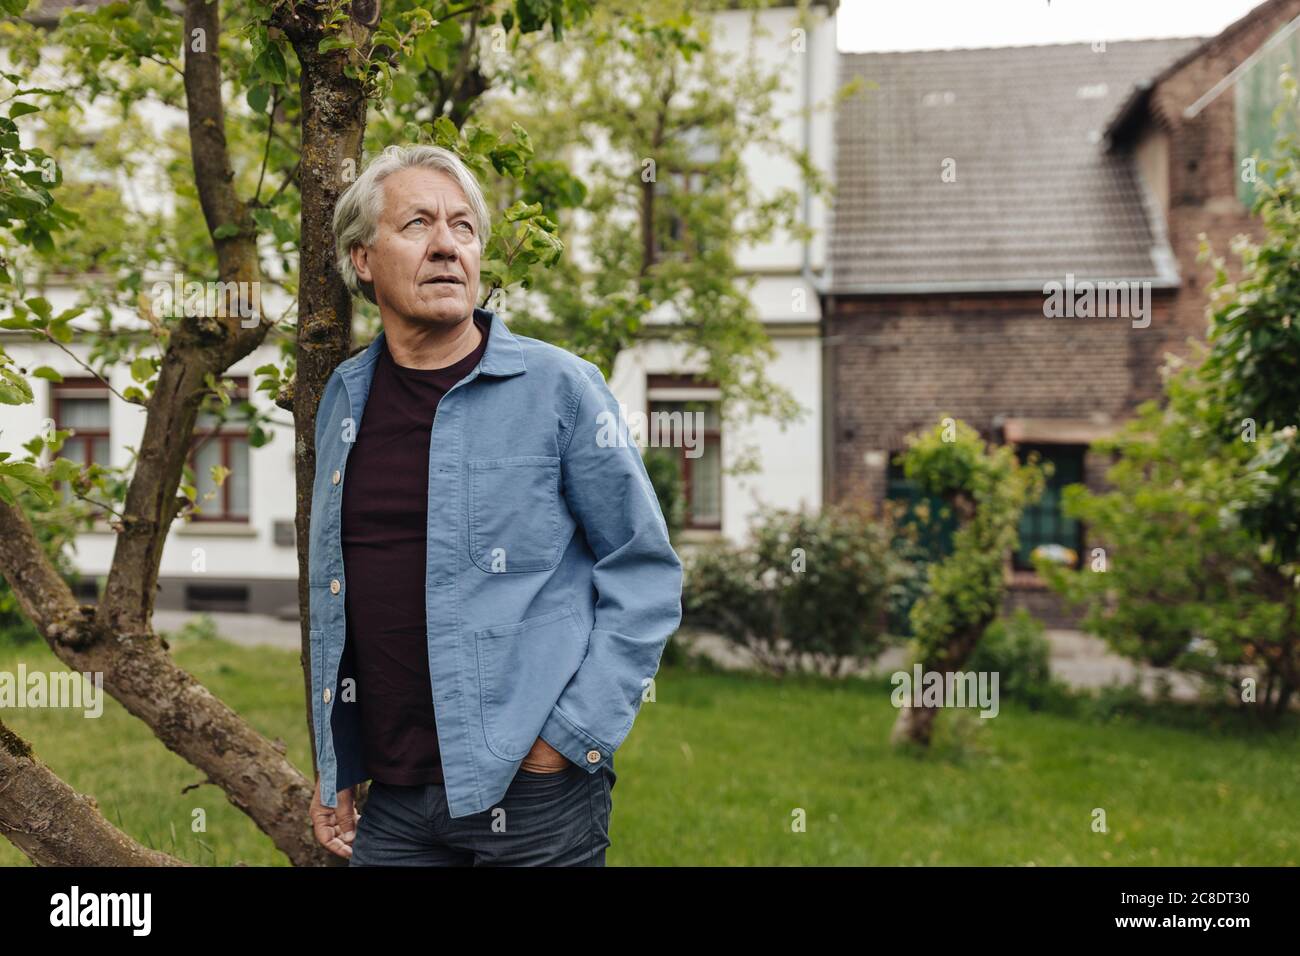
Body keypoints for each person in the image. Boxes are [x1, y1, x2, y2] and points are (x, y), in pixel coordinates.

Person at [306, 144, 683, 866]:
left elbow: (644, 571)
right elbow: (334, 596)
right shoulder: (345, 400)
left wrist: (568, 739)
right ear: (362, 259)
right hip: (393, 794)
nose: (447, 245)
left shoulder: (562, 389)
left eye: (464, 228)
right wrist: (335, 762)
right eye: (417, 224)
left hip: (535, 792)